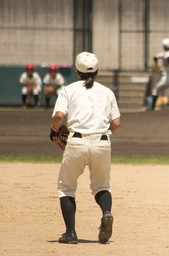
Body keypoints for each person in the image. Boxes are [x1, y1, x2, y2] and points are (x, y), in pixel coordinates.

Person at [50, 52, 121, 244]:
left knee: (66, 188)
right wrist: (104, 132)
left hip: (76, 142)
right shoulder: (107, 92)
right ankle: (106, 212)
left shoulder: (68, 90)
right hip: (102, 142)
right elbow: (116, 122)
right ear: (97, 71)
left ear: (76, 71)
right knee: (102, 186)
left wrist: (53, 131)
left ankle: (71, 233)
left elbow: (58, 116)